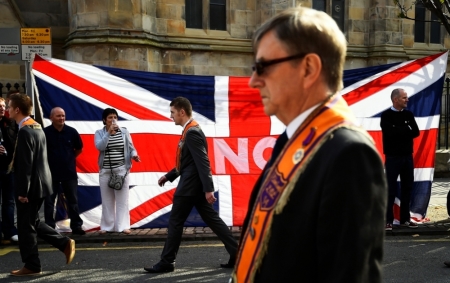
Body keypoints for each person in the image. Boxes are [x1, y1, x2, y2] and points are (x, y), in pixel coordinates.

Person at [231, 7, 387, 283]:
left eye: (263, 66)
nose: (253, 80)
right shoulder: (291, 139)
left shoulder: (351, 154)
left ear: (309, 68)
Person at [144, 97, 238, 273]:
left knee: (175, 222)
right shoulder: (190, 130)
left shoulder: (192, 132)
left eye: (172, 112)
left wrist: (208, 189)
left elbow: (203, 162)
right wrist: (169, 175)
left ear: (182, 112)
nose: (170, 116)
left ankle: (167, 261)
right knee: (213, 220)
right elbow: (187, 162)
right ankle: (237, 253)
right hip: (193, 185)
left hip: (189, 187)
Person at [8, 93, 75, 276]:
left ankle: (32, 265)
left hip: (31, 187)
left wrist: (23, 191)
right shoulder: (37, 127)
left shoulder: (25, 131)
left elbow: (26, 164)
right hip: (42, 183)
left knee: (25, 226)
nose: (7, 110)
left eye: (9, 106)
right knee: (33, 222)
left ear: (17, 110)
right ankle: (63, 243)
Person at [94, 108, 140, 234]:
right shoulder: (99, 133)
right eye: (110, 117)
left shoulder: (124, 132)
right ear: (104, 120)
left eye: (115, 117)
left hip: (121, 170)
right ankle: (107, 226)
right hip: (105, 171)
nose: (113, 119)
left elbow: (131, 148)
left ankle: (123, 226)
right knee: (107, 200)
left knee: (122, 200)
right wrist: (109, 133)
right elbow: (100, 146)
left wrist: (134, 155)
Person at [381, 88, 420, 231]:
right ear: (395, 99)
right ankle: (388, 221)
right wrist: (404, 130)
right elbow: (389, 132)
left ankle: (405, 219)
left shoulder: (409, 114)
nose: (407, 100)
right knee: (390, 189)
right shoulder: (386, 115)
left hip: (407, 157)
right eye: (404, 98)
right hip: (392, 158)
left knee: (407, 188)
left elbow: (415, 132)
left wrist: (398, 129)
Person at [44, 107, 85, 235]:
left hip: (69, 173)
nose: (61, 118)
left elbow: (79, 149)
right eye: (58, 116)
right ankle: (49, 227)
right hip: (51, 174)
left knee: (72, 201)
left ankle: (76, 226)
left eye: (63, 115)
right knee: (49, 202)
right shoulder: (45, 133)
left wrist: (68, 160)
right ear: (51, 118)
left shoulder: (72, 132)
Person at [0, 97, 18, 244]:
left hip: (8, 168)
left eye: (3, 106)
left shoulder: (10, 123)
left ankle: (9, 231)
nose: (2, 108)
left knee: (9, 201)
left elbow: (15, 144)